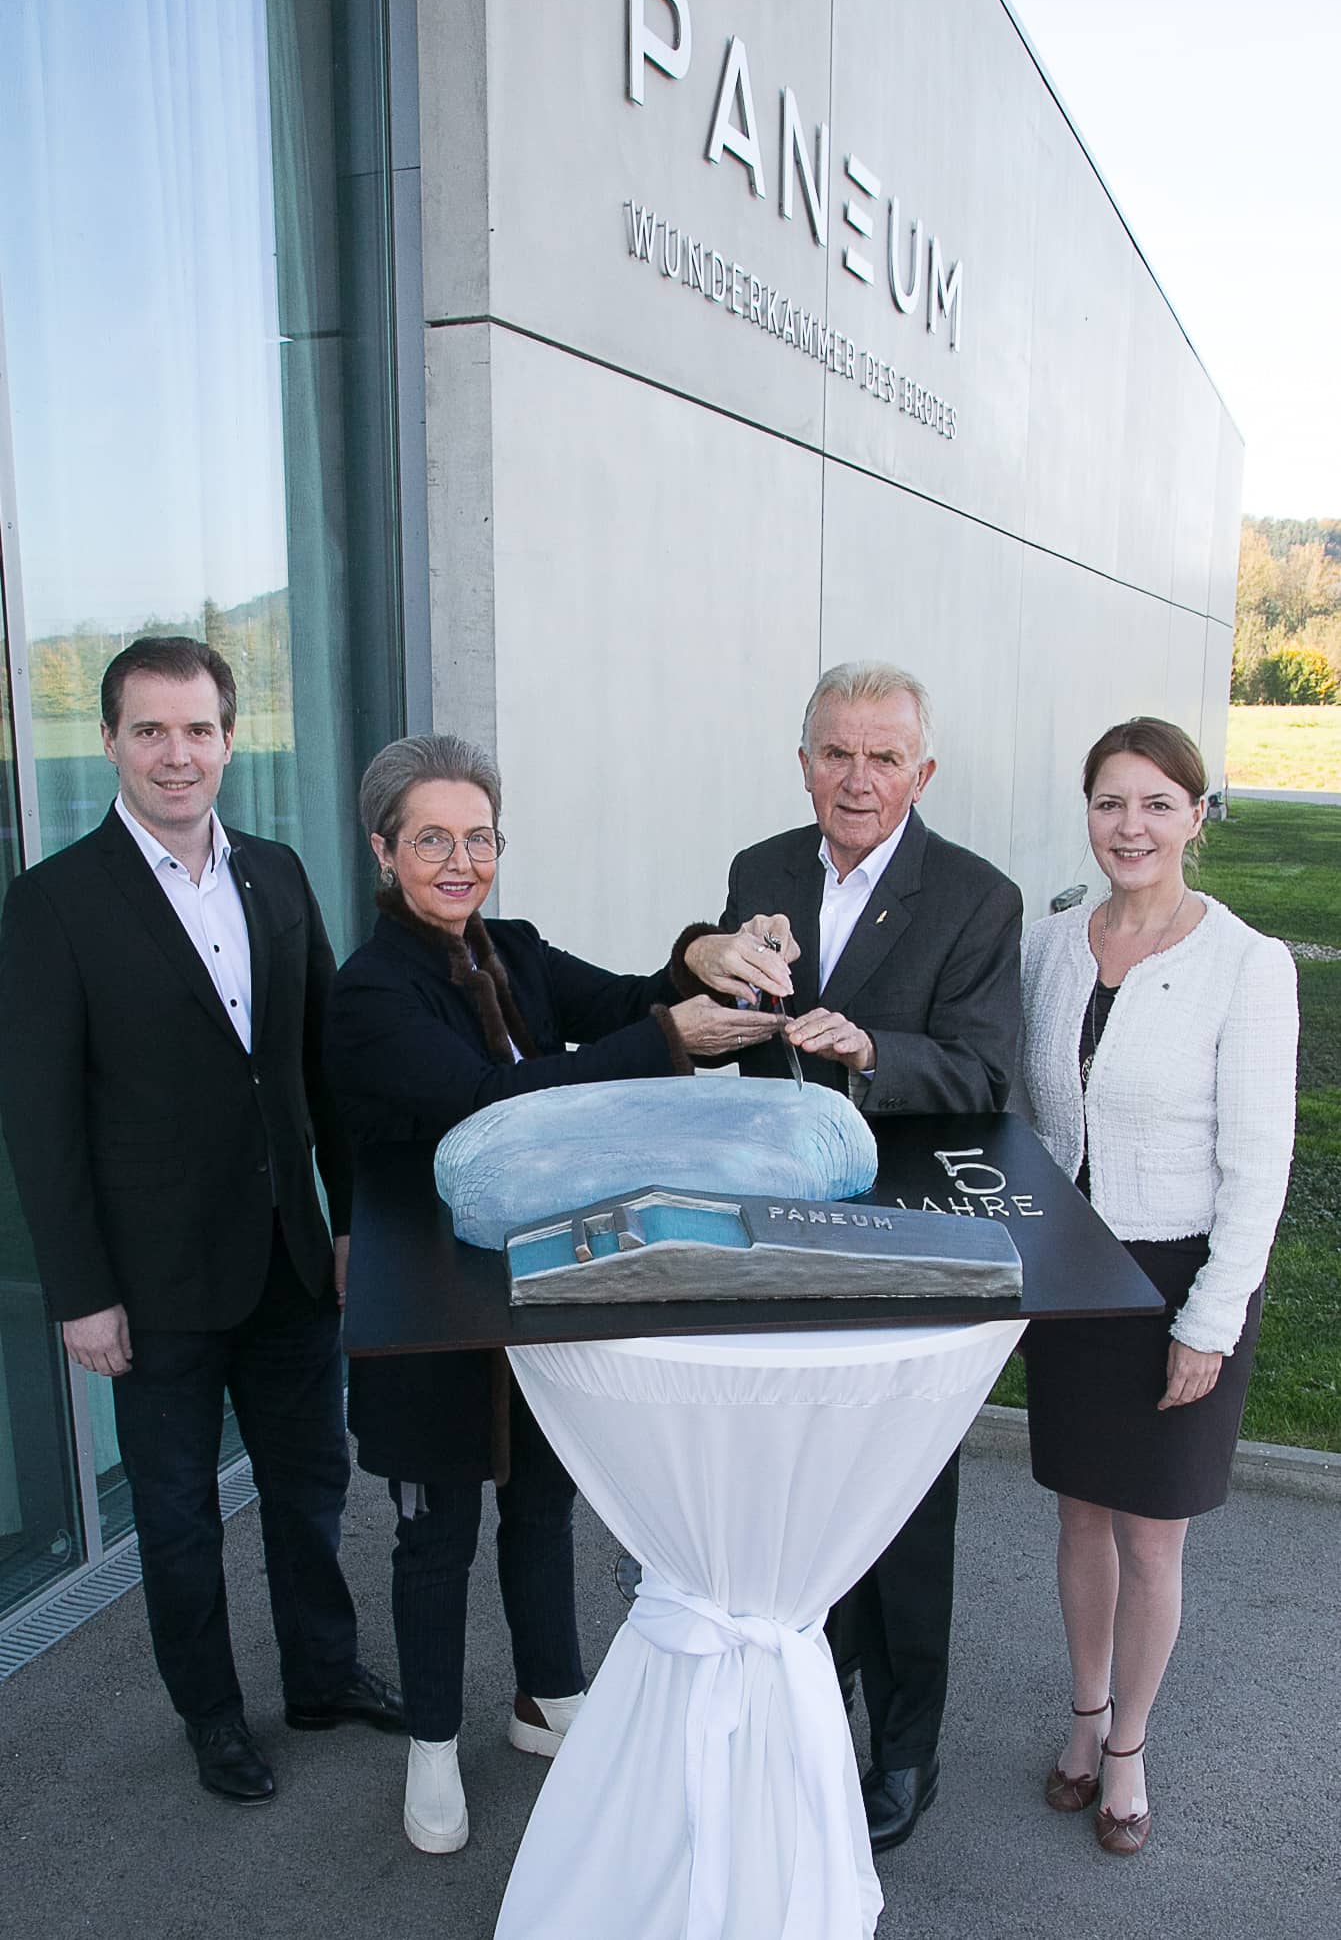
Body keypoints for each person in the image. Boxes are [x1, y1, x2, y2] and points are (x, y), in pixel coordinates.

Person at [323, 732, 780, 1856]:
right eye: (433, 839)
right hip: (429, 1295)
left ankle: (546, 1694)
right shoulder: (369, 991)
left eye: (479, 838)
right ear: (383, 850)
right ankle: (433, 1744)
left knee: (541, 1495)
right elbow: (500, 1100)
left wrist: (704, 954)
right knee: (436, 1531)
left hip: (538, 1279)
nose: (460, 862)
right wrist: (664, 1037)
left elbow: (627, 999)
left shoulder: (514, 948)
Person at [0, 637, 403, 1807]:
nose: (176, 754)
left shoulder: (275, 871)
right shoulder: (54, 902)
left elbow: (321, 1068)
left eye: (197, 730)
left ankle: (322, 1676)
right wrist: (82, 1291)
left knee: (310, 1487)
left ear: (229, 739)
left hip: (288, 1258)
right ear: (111, 742)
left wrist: (347, 1222)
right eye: (150, 730)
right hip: (152, 1282)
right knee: (178, 1521)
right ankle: (213, 1716)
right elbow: (41, 1121)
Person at [679, 659, 1023, 1852]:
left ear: (922, 772)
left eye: (884, 757)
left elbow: (984, 1075)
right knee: (790, 1478)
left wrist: (874, 1051)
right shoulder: (760, 869)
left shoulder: (976, 896)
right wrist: (713, 987)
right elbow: (736, 1028)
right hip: (774, 1226)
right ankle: (808, 1700)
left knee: (905, 1501)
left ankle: (906, 1747)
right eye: (837, 752)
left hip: (906, 1235)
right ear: (804, 762)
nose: (858, 778)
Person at [1019, 717, 1297, 1855]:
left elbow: (1259, 1170)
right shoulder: (1049, 946)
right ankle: (1084, 1716)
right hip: (1073, 1278)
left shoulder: (1246, 963)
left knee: (1151, 1537)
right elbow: (1032, 1117)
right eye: (1108, 802)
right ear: (1087, 812)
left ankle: (1128, 1745)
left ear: (1195, 815)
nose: (1128, 827)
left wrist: (1209, 1323)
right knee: (1080, 1513)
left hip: (1180, 1279)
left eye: (1155, 803)